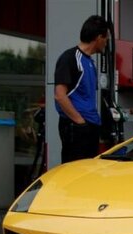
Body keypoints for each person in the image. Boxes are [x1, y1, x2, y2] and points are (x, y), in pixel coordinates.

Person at [54, 15, 109, 163]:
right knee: (74, 173)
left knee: (87, 174)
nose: (106, 42)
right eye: (106, 38)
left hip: (90, 126)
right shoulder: (70, 58)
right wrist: (79, 122)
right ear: (98, 37)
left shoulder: (90, 62)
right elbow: (60, 95)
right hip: (77, 128)